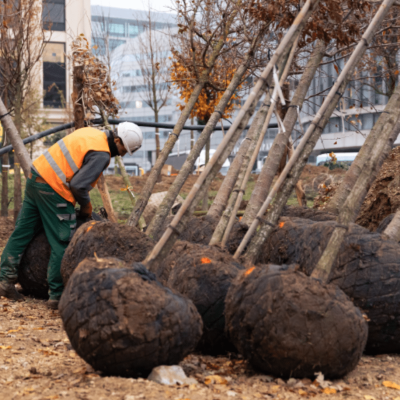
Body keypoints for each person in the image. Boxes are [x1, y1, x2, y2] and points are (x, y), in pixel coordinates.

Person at [0, 122, 143, 308]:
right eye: (123, 150)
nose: (122, 155)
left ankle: (4, 280)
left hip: (36, 177)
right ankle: (57, 296)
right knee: (62, 241)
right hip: (54, 189)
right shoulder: (102, 154)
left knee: (22, 231)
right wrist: (87, 206)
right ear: (117, 140)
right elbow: (78, 185)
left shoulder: (91, 134)